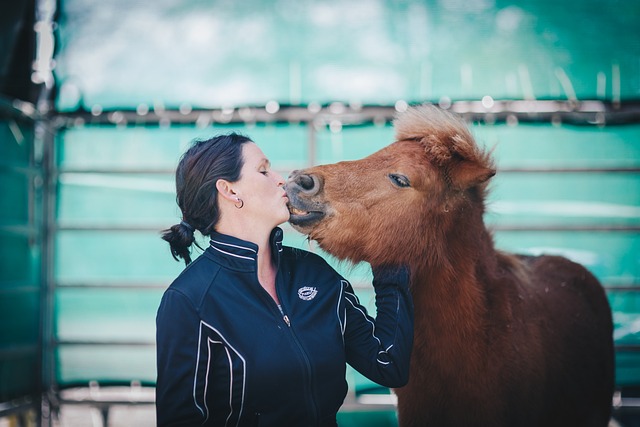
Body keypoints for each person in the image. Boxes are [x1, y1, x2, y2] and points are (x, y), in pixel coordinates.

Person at [156, 132, 414, 427]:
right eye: (263, 170)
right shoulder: (189, 301)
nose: (280, 179)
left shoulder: (315, 274)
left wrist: (390, 256)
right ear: (229, 191)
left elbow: (388, 365)